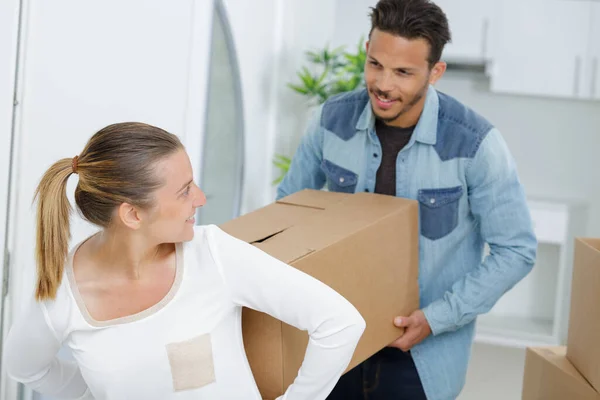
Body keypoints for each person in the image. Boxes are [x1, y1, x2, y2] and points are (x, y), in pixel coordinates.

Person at [276, 0, 538, 399]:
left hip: (422, 361)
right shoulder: (331, 121)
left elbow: (516, 251)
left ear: (435, 72)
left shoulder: (475, 142)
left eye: (403, 72)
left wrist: (435, 319)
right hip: (333, 343)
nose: (383, 84)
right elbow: (288, 211)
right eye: (376, 64)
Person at [4, 122, 366, 400]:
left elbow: (340, 324)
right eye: (184, 190)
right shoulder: (61, 294)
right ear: (132, 215)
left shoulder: (213, 256)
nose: (201, 198)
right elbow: (25, 368)